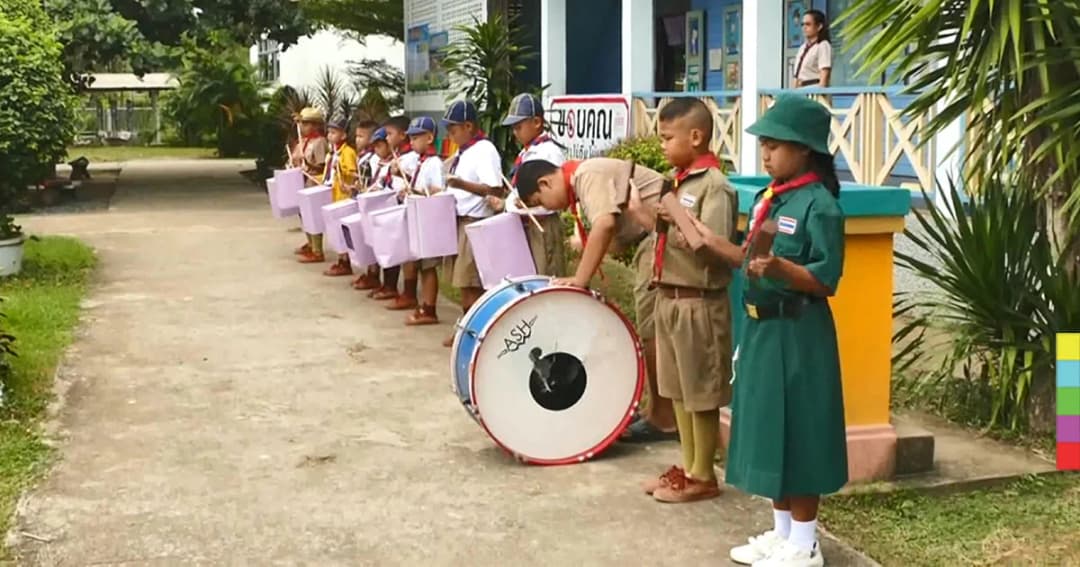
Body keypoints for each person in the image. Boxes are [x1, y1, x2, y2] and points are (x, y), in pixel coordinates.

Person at [687, 94, 846, 566]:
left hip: (798, 332)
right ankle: (781, 534)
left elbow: (826, 279)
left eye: (777, 145)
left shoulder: (820, 206)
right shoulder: (768, 198)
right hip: (761, 331)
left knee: (801, 434)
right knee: (769, 430)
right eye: (765, 145)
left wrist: (779, 268)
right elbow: (745, 256)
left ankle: (805, 542)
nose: (766, 153)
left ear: (806, 149)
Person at [634, 98, 737, 503]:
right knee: (676, 388)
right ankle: (687, 464)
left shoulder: (715, 187)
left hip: (699, 300)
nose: (661, 145)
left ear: (695, 137)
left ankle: (703, 474)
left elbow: (710, 246)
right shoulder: (677, 182)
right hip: (670, 296)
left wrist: (675, 217)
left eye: (667, 138)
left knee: (701, 392)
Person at [440, 100, 503, 348]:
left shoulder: (484, 150)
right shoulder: (462, 152)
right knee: (463, 281)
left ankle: (474, 332)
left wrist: (461, 184)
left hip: (476, 221)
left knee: (472, 282)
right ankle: (468, 327)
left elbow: (495, 188)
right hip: (460, 220)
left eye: (454, 129)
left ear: (468, 126)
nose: (450, 135)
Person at [495, 93, 568, 277]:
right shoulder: (527, 152)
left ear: (536, 122)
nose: (515, 133)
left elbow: (551, 197)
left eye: (519, 127)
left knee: (545, 276)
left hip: (542, 224)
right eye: (513, 128)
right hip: (524, 224)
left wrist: (524, 203)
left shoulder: (548, 152)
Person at [400, 116, 445, 326]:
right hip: (416, 214)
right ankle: (422, 304)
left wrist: (416, 190)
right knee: (418, 263)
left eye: (417, 137)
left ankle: (429, 307)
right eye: (411, 137)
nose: (412, 142)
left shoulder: (434, 163)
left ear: (429, 138)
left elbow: (437, 191)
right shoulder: (420, 161)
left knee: (428, 266)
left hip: (428, 218)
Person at [384, 115, 421, 311]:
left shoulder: (413, 157)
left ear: (403, 135)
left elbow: (414, 181)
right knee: (400, 249)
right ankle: (397, 288)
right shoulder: (398, 154)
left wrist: (401, 175)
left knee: (409, 254)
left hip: (409, 206)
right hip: (397, 204)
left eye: (390, 134)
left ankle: (410, 293)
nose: (387, 138)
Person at [364, 127, 406, 301]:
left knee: (391, 249)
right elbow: (380, 182)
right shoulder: (380, 163)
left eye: (380, 145)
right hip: (382, 207)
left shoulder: (399, 161)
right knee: (381, 246)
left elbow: (398, 184)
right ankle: (383, 282)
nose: (377, 150)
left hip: (394, 208)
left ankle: (391, 285)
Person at [321, 118, 360, 277]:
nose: (330, 136)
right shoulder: (333, 152)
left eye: (334, 132)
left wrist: (341, 170)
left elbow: (352, 172)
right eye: (329, 132)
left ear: (343, 135)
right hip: (333, 193)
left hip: (343, 195)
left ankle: (345, 263)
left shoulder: (348, 152)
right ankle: (341, 260)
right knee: (334, 229)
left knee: (342, 230)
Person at [293, 107, 329, 263]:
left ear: (315, 125)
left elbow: (323, 166)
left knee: (312, 215)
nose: (302, 126)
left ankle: (317, 250)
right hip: (301, 181)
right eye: (301, 123)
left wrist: (306, 163)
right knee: (303, 214)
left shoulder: (320, 142)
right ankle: (309, 243)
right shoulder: (302, 141)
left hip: (313, 181)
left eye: (306, 123)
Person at [351, 119, 382, 291]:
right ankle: (370, 272)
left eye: (361, 136)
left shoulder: (374, 158)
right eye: (356, 136)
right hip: (362, 198)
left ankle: (374, 274)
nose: (357, 140)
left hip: (371, 202)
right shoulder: (362, 157)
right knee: (365, 238)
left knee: (372, 240)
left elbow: (372, 181)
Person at [794, 10, 832, 88]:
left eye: (808, 24)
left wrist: (820, 94)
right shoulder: (802, 48)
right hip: (800, 90)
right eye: (802, 24)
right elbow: (797, 75)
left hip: (814, 89)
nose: (804, 27)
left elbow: (824, 73)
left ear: (819, 26)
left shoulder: (823, 45)